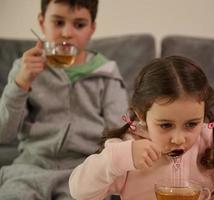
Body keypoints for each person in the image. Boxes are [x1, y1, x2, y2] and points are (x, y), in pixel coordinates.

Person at [69, 55, 214, 200]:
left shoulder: (209, 140)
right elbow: (79, 191)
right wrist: (117, 158)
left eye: (191, 124)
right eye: (165, 125)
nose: (179, 139)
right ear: (142, 114)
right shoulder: (128, 148)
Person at [0, 0, 128, 199]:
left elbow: (119, 132)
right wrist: (21, 84)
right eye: (58, 23)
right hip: (30, 169)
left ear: (92, 28)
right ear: (42, 23)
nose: (67, 33)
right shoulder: (24, 68)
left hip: (84, 173)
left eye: (79, 25)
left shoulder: (107, 73)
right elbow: (3, 133)